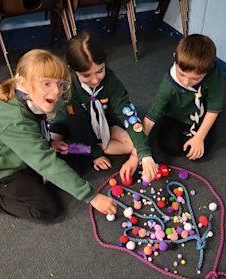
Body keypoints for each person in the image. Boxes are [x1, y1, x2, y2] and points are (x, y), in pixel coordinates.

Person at [0, 49, 117, 221]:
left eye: (59, 84)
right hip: (0, 169)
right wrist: (92, 197)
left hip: (18, 153)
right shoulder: (15, 119)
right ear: (24, 82)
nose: (57, 91)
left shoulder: (24, 92)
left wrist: (48, 142)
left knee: (74, 164)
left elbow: (37, 126)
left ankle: (38, 180)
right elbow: (45, 161)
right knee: (47, 209)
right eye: (47, 84)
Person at [51, 31, 157, 182]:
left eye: (100, 71)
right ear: (73, 70)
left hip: (105, 119)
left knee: (133, 144)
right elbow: (78, 125)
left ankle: (79, 147)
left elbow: (127, 113)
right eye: (87, 75)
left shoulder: (111, 81)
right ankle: (77, 146)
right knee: (52, 138)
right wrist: (95, 154)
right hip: (73, 119)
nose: (95, 80)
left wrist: (144, 155)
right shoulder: (71, 89)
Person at [143, 34, 224, 160]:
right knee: (170, 148)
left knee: (198, 153)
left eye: (195, 79)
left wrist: (199, 137)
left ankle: (205, 128)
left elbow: (214, 106)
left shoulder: (214, 73)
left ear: (209, 69)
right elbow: (151, 116)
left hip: (201, 114)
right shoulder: (168, 86)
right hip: (176, 115)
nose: (185, 82)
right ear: (175, 58)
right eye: (181, 74)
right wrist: (138, 150)